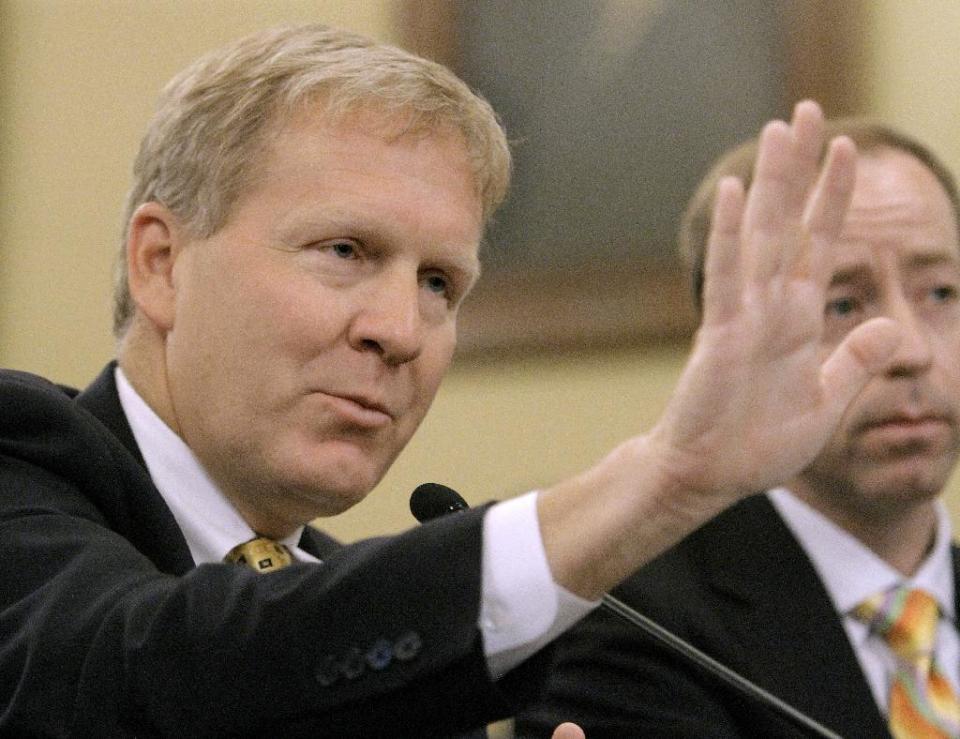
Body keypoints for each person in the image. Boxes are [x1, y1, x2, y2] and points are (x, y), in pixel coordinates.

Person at [0, 24, 903, 738]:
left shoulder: (385, 644)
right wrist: (667, 478)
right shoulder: (24, 466)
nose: (400, 331)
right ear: (162, 264)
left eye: (440, 283)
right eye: (345, 250)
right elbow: (150, 672)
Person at [514, 120, 960, 738]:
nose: (909, 348)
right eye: (842, 303)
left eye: (941, 292)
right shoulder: (629, 622)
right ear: (725, 348)